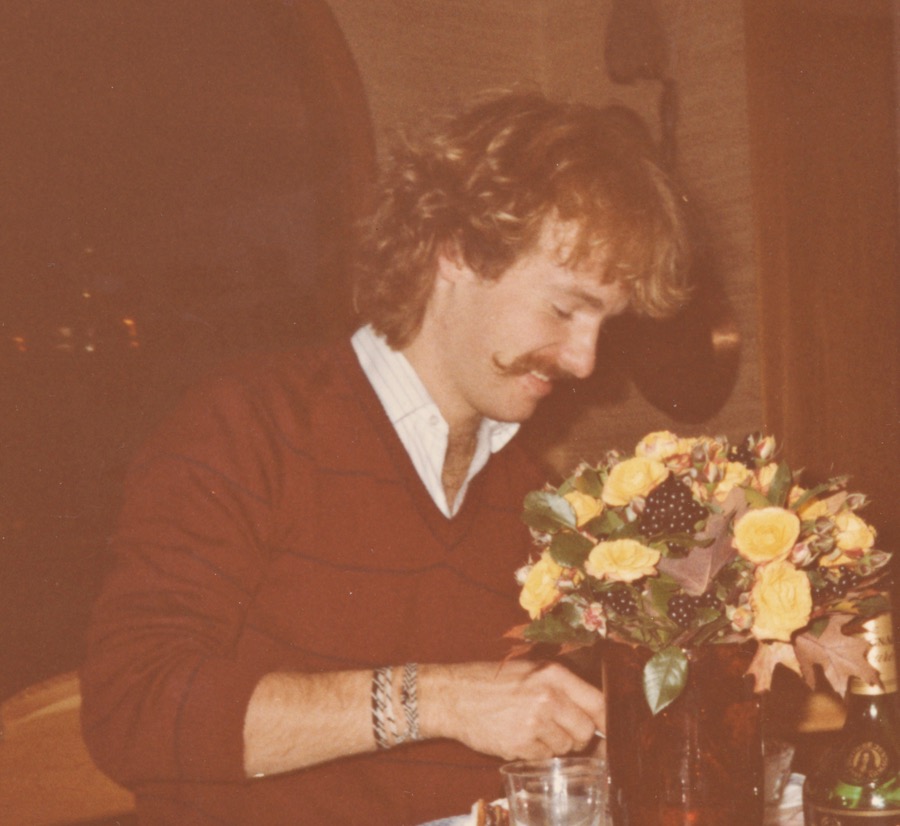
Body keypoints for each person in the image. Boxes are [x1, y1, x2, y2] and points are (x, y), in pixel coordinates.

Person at [79, 90, 693, 825]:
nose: (585, 362)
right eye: (563, 310)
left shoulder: (537, 500)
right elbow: (132, 709)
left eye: (604, 325)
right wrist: (437, 700)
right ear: (456, 251)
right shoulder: (249, 425)